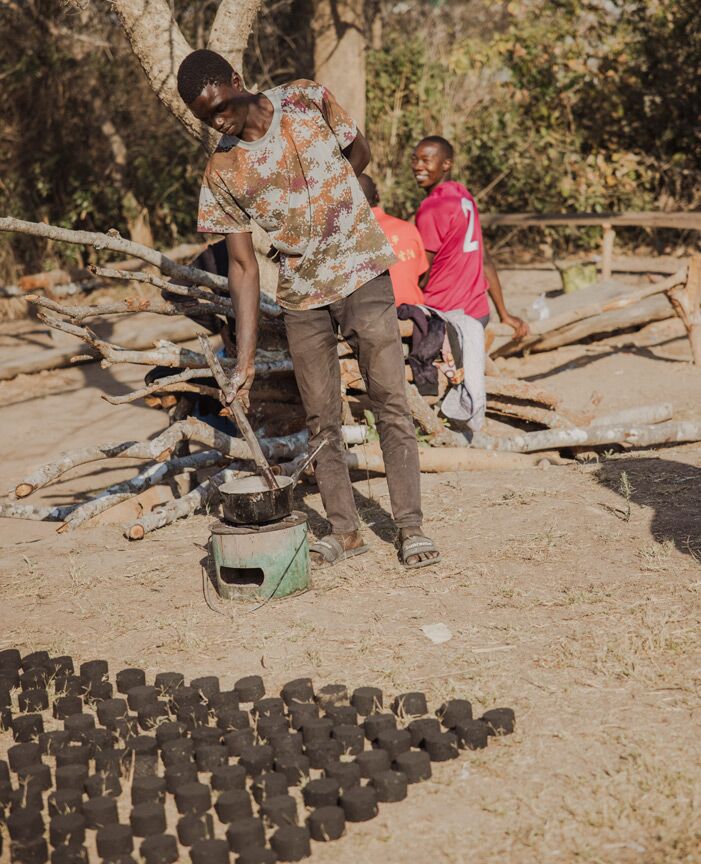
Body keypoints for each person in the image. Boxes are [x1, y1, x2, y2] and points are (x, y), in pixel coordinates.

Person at [176, 49, 440, 569]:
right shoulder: (222, 171)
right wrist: (244, 361)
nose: (219, 122)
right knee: (322, 420)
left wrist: (337, 203)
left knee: (390, 399)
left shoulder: (304, 98)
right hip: (302, 297)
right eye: (207, 118)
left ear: (237, 80)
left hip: (362, 273)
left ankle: (410, 528)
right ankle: (345, 531)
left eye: (222, 107)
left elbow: (358, 152)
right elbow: (242, 267)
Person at [411, 136, 529, 338]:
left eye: (426, 160)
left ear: (446, 164)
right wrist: (503, 313)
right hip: (477, 312)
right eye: (414, 159)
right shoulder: (462, 195)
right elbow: (484, 258)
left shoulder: (433, 206)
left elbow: (423, 275)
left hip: (444, 315)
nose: (417, 166)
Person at [358, 174, 428, 307]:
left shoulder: (351, 237)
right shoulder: (408, 228)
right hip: (415, 313)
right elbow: (423, 279)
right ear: (377, 196)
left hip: (378, 314)